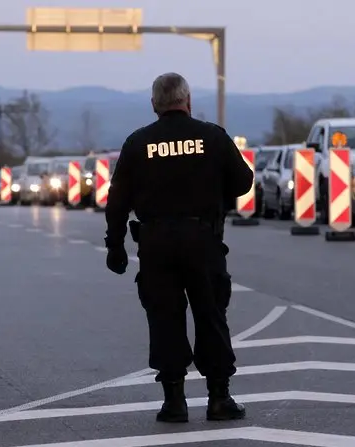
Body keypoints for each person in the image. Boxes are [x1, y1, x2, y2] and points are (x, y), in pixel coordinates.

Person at [104, 72, 253, 423]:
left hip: (156, 244)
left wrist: (116, 246)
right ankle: (219, 398)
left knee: (165, 319)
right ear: (187, 101)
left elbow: (117, 201)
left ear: (154, 104)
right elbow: (243, 182)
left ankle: (174, 401)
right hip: (203, 240)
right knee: (211, 315)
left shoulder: (138, 143)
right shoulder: (212, 137)